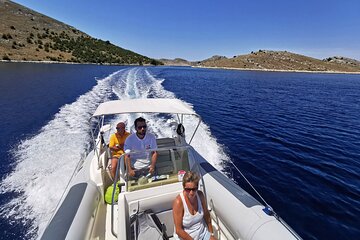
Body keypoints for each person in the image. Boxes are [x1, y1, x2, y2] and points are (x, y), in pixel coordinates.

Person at [172, 171, 217, 240]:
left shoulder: (200, 195)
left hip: (202, 233)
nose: (191, 193)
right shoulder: (178, 202)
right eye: (188, 189)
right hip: (185, 237)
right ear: (183, 187)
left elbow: (207, 215)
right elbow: (179, 230)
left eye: (194, 189)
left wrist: (211, 233)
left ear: (197, 187)